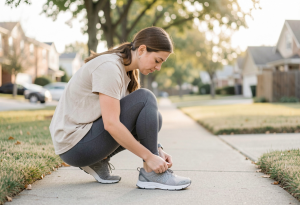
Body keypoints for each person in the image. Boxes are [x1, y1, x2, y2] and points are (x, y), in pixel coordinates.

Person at [49, 26, 191, 190]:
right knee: (146, 98)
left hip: (81, 142)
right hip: (74, 145)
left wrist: (157, 150)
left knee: (153, 116)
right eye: (157, 60)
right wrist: (149, 157)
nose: (158, 67)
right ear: (142, 49)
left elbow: (141, 120)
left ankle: (98, 162)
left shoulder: (127, 71)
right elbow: (111, 124)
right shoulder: (110, 68)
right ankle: (150, 173)